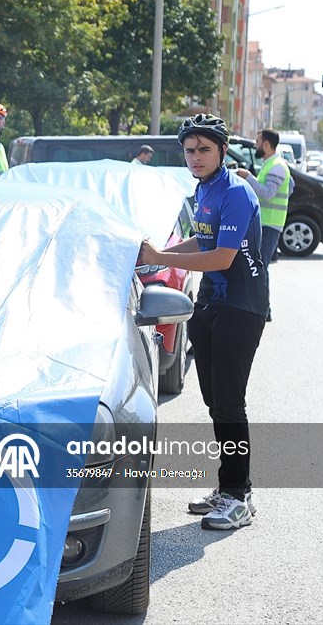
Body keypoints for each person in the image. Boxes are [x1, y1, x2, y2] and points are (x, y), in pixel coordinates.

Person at [138, 113, 267, 531]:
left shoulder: (235, 191)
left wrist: (161, 258)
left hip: (242, 307)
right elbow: (205, 240)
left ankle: (239, 495)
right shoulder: (205, 189)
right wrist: (164, 250)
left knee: (230, 402)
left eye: (204, 149)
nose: (195, 157)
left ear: (222, 151)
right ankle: (227, 487)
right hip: (211, 303)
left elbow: (222, 257)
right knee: (215, 402)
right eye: (190, 150)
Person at [235, 128, 291, 322]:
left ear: (266, 144)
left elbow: (268, 193)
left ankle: (263, 310)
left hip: (270, 224)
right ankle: (261, 308)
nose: (256, 145)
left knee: (260, 267)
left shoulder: (276, 166)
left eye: (258, 142)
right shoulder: (273, 164)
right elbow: (290, 187)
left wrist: (247, 176)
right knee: (258, 266)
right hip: (267, 223)